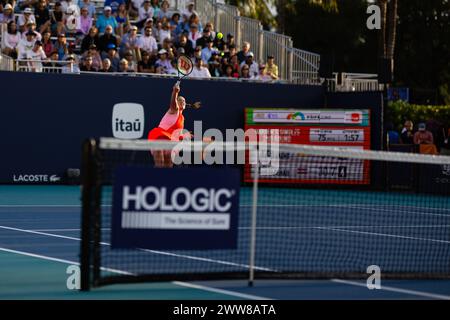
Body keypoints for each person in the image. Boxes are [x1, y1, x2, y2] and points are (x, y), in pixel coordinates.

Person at [147, 82, 192, 167]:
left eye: (184, 101)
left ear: (185, 105)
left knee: (168, 166)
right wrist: (175, 92)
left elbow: (177, 133)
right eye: (180, 100)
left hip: (171, 141)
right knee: (160, 164)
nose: (182, 101)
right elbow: (173, 104)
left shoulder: (182, 118)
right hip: (160, 137)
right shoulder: (174, 110)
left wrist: (184, 136)